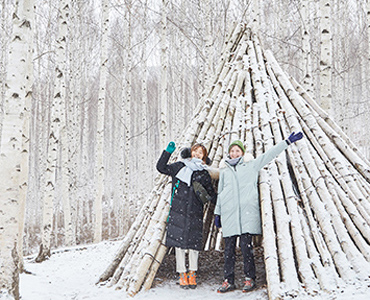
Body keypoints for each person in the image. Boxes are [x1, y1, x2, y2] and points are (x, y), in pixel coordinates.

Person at [215, 132, 303, 293]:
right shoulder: (224, 171)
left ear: (242, 152)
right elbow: (220, 194)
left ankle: (250, 278)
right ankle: (228, 280)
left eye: (237, 150)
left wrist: (287, 142)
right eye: (232, 151)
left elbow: (269, 154)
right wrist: (217, 213)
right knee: (228, 251)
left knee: (246, 248)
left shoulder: (251, 165)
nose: (234, 153)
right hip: (229, 215)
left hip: (247, 215)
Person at [156, 141, 217, 289]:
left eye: (200, 153)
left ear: (204, 157)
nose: (197, 154)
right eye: (195, 151)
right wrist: (167, 152)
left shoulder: (203, 172)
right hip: (178, 211)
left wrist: (222, 202)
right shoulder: (179, 166)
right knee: (179, 245)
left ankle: (192, 273)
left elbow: (210, 194)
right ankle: (182, 273)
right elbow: (161, 168)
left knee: (193, 245)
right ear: (191, 152)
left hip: (195, 212)